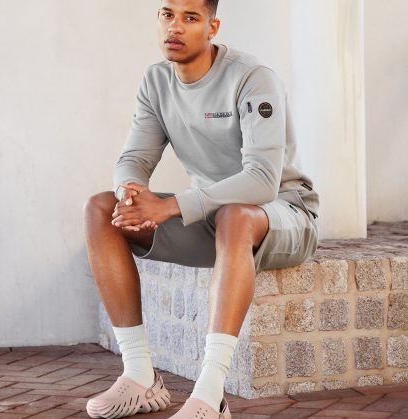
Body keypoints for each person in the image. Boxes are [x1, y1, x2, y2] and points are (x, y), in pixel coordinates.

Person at [83, 0, 319, 417]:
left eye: (190, 17)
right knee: (101, 208)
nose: (175, 27)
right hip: (214, 220)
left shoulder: (252, 77)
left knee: (235, 214)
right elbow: (134, 158)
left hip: (283, 213)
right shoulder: (157, 81)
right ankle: (139, 376)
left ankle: (211, 395)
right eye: (167, 14)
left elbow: (262, 181)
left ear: (212, 27)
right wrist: (131, 193)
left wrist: (171, 206)